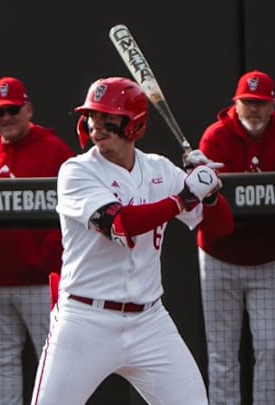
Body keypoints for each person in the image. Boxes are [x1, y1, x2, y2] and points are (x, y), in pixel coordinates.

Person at [29, 76, 233, 405]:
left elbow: (220, 228)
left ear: (133, 125)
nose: (97, 125)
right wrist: (184, 196)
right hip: (85, 318)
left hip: (149, 321)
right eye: (92, 116)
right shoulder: (77, 171)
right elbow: (120, 225)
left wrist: (209, 193)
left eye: (108, 118)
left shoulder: (161, 170)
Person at [196, 70, 275, 405]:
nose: (255, 110)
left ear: (273, 103)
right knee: (221, 355)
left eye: (261, 103)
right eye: (248, 102)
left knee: (271, 349)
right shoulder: (215, 137)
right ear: (236, 102)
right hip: (219, 258)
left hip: (269, 259)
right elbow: (206, 203)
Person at [0, 77, 73, 405]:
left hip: (39, 282)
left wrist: (45, 261)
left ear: (28, 109)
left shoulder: (54, 151)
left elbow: (70, 215)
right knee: (2, 360)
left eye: (13, 110)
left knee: (52, 361)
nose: (6, 118)